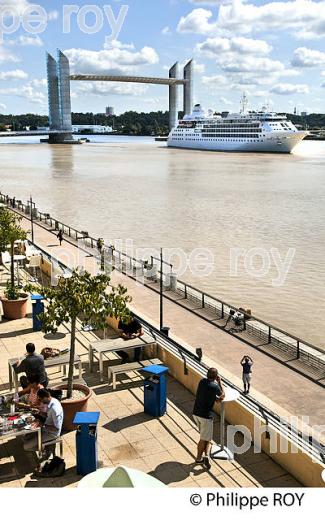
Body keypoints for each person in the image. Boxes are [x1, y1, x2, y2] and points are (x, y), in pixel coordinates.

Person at [193, 367, 225, 469]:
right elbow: (222, 396)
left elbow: (214, 398)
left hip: (196, 413)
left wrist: (217, 398)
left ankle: (206, 456)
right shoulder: (215, 386)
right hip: (205, 416)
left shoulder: (202, 382)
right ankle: (198, 459)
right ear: (216, 376)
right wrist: (220, 383)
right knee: (204, 438)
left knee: (207, 438)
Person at [23, 389, 63, 455]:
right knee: (25, 437)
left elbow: (56, 428)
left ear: (45, 397)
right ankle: (41, 444)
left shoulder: (55, 409)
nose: (40, 401)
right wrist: (39, 412)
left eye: (40, 399)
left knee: (26, 447)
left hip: (52, 433)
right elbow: (48, 415)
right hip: (45, 428)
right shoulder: (51, 401)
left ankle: (46, 449)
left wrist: (42, 425)